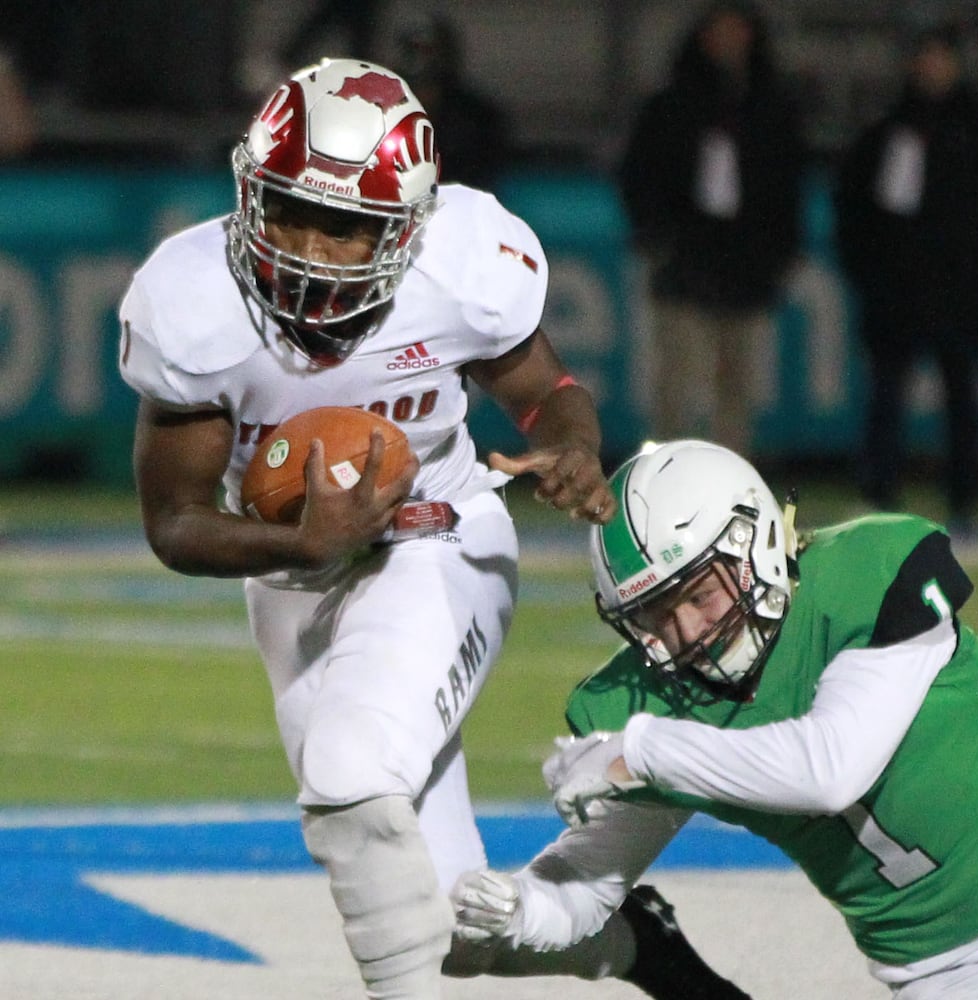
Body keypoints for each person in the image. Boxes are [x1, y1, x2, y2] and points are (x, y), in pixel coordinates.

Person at [118, 57, 735, 1000]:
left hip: (437, 535)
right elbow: (174, 521)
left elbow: (549, 394)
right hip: (292, 582)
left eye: (344, 225)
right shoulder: (196, 299)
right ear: (248, 189)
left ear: (407, 227)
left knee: (349, 773)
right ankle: (629, 944)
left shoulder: (458, 264)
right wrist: (300, 548)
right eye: (287, 210)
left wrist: (571, 448)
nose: (311, 249)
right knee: (448, 920)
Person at [451, 439, 978, 997]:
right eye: (654, 617)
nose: (686, 634)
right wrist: (519, 907)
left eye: (697, 596)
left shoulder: (868, 575)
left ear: (755, 542)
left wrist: (642, 753)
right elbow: (587, 887)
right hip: (934, 974)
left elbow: (830, 769)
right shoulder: (652, 700)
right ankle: (656, 955)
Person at [835, 21, 978, 530]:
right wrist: (869, 271)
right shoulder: (885, 131)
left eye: (941, 58)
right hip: (896, 292)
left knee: (962, 396)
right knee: (886, 398)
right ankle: (879, 496)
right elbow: (854, 208)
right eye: (924, 57)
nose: (932, 68)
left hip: (961, 290)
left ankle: (965, 498)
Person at [617, 1, 803, 458]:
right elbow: (638, 175)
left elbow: (787, 185)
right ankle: (662, 483)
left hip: (746, 266)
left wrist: (777, 252)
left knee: (738, 386)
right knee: (677, 385)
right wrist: (658, 236)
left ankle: (733, 487)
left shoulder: (770, 109)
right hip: (685, 261)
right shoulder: (670, 106)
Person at [391, 13, 511, 191]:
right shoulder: (383, 116)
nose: (420, 61)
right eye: (413, 51)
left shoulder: (477, 121)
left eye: (428, 52)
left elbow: (483, 183)